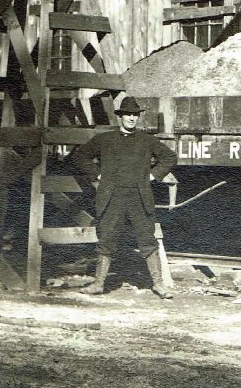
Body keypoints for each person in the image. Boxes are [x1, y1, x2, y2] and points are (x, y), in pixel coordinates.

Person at [69, 96, 179, 298]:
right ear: (120, 117)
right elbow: (80, 156)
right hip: (112, 197)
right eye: (128, 114)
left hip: (139, 197)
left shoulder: (147, 141)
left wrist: (153, 175)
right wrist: (98, 174)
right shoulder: (105, 139)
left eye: (135, 115)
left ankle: (159, 284)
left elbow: (170, 157)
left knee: (147, 239)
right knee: (107, 238)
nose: (131, 118)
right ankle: (99, 284)